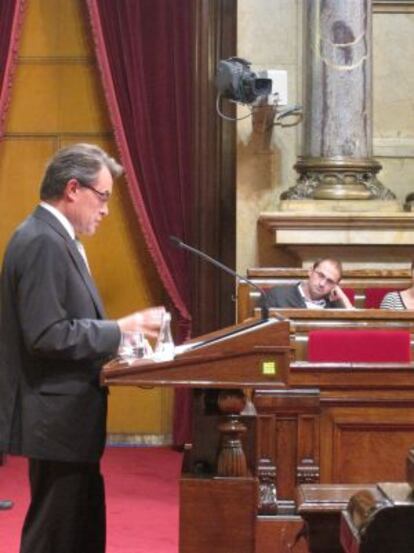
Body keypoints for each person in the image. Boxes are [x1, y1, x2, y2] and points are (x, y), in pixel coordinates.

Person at [0, 144, 165, 553]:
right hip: (56, 417)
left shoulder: (56, 237)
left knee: (77, 529)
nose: (106, 209)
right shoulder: (42, 241)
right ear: (73, 188)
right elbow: (46, 334)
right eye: (103, 196)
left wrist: (119, 345)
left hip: (68, 417)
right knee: (55, 534)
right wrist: (119, 329)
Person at [263, 258, 354, 309]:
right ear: (310, 271)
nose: (322, 284)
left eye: (330, 281)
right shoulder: (278, 295)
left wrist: (343, 298)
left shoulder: (336, 306)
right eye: (320, 275)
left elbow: (355, 330)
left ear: (335, 286)